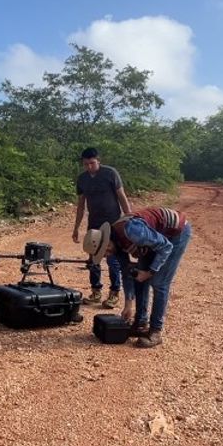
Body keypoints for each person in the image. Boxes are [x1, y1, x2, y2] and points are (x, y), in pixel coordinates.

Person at [83, 206, 191, 348]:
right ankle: (140, 323)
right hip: (155, 237)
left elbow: (165, 247)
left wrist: (150, 272)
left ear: (107, 242)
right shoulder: (117, 244)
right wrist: (128, 304)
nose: (106, 255)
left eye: (104, 251)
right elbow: (127, 272)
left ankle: (155, 331)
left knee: (159, 283)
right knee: (139, 277)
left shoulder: (132, 231)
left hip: (175, 234)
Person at [71, 147, 132, 308]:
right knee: (93, 260)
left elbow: (122, 196)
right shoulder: (82, 179)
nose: (89, 167)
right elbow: (81, 205)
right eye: (86, 164)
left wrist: (130, 218)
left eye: (92, 163)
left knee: (113, 259)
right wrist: (76, 227)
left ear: (99, 161)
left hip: (113, 223)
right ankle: (96, 291)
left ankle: (114, 293)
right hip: (94, 224)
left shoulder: (110, 173)